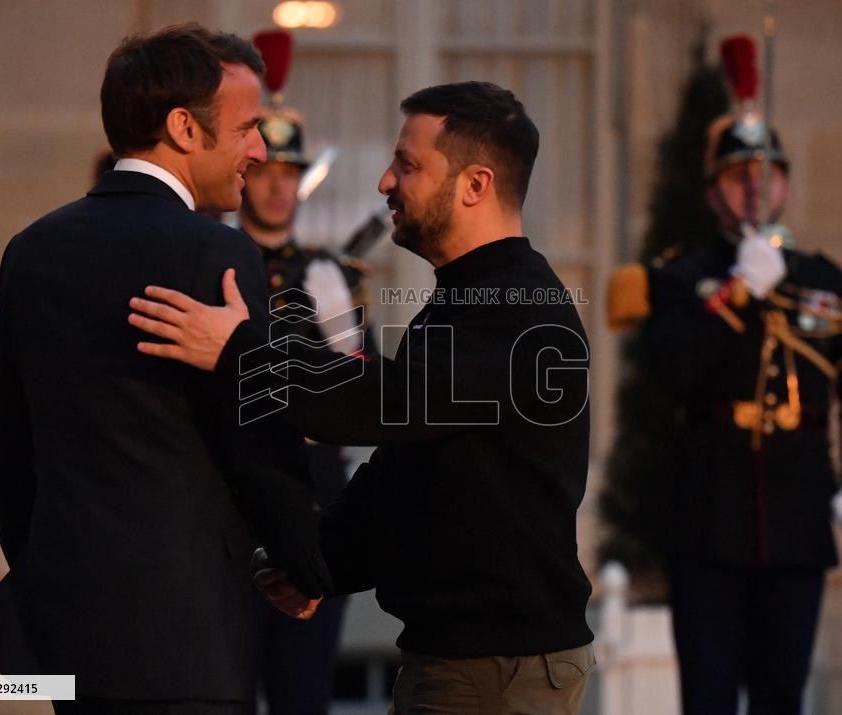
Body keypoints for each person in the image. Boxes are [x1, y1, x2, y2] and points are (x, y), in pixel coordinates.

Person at [129, 81, 596, 714]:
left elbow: (388, 402)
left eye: (408, 165)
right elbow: (404, 469)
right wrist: (317, 561)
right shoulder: (465, 297)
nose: (385, 182)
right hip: (465, 661)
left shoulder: (520, 309)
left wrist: (239, 349)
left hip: (497, 670)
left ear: (475, 184)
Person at [0, 23, 330, 714]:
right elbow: (258, 445)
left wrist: (53, 585)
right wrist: (302, 563)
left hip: (71, 639)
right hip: (189, 641)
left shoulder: (31, 250)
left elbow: (4, 454)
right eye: (248, 127)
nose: (258, 148)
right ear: (185, 128)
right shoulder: (219, 256)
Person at [609, 35, 842, 715]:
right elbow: (672, 368)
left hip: (796, 520)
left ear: (787, 184)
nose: (754, 189)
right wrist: (737, 294)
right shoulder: (679, 278)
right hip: (708, 521)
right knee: (707, 697)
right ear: (713, 192)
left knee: (780, 698)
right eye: (739, 177)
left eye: (767, 175)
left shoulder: (827, 285)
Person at [238, 80, 371, 715]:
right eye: (264, 170)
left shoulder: (331, 275)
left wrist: (342, 334)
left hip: (314, 500)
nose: (275, 186)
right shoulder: (214, 260)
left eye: (288, 172)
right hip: (231, 503)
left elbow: (362, 395)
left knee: (302, 694)